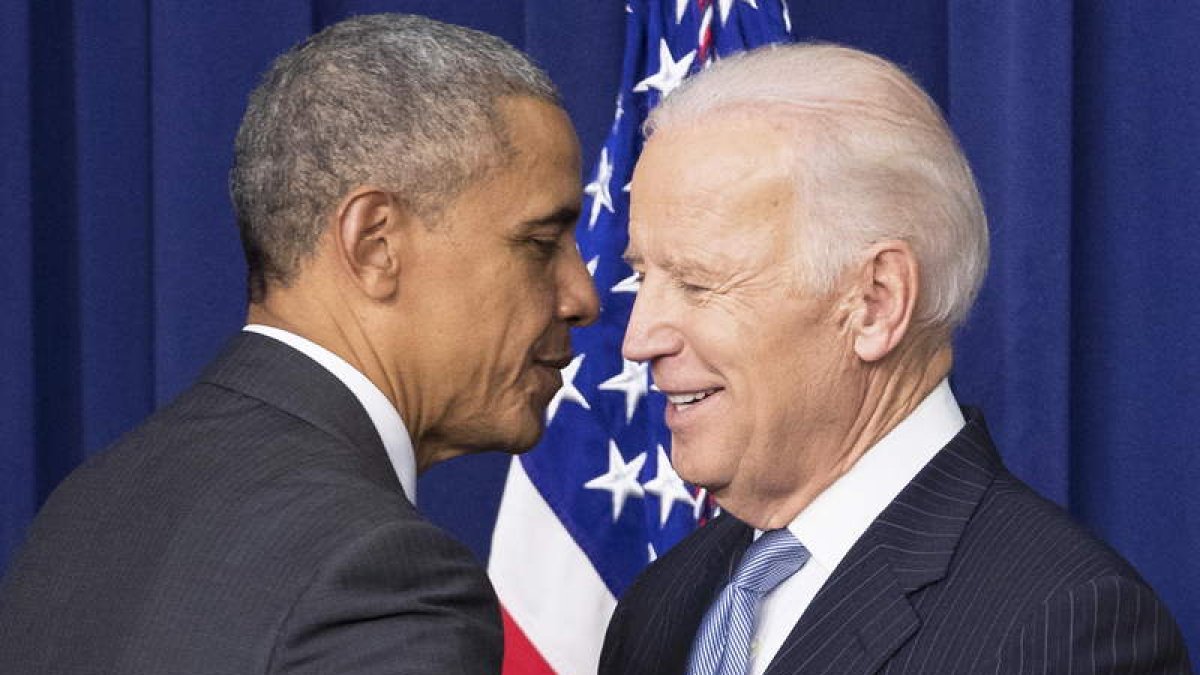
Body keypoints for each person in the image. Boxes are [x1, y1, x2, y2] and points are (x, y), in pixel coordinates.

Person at [0, 14, 597, 675]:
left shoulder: (88, 507)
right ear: (375, 244)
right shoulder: (378, 577)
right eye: (541, 244)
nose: (582, 297)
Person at [600, 43, 1192, 675]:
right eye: (642, 278)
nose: (638, 340)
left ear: (876, 303)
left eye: (696, 283)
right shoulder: (661, 606)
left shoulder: (1063, 626)